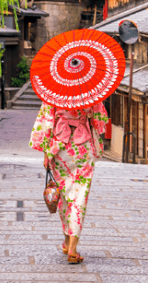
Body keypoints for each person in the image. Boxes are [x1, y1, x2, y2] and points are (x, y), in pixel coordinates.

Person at [29, 102, 108, 264]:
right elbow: (100, 121)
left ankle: (67, 241)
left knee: (64, 196)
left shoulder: (54, 94)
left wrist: (46, 153)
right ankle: (72, 246)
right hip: (83, 148)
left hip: (60, 148)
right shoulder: (90, 93)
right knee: (79, 198)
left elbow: (46, 123)